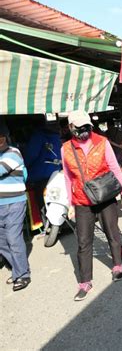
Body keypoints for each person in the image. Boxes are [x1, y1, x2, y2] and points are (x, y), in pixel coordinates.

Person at [62, 110, 122, 301]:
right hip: (82, 200)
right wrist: (70, 204)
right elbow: (68, 177)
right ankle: (85, 281)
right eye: (79, 127)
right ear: (71, 128)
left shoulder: (102, 141)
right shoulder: (66, 148)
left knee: (112, 232)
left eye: (86, 126)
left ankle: (118, 265)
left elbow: (114, 167)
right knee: (84, 241)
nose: (84, 130)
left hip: (105, 195)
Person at [0, 122, 31, 291]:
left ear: (6, 138)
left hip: (15, 203)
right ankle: (18, 268)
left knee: (13, 238)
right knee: (2, 241)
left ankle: (23, 275)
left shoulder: (13, 153)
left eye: (1, 138)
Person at [24, 116, 62, 216]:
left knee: (43, 203)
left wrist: (24, 165)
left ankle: (48, 225)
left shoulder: (38, 136)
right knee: (56, 200)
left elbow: (31, 155)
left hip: (41, 175)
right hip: (56, 173)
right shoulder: (56, 136)